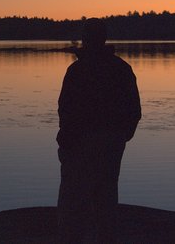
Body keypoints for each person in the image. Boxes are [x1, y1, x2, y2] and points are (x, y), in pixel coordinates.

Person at [56, 18, 141, 243]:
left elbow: (65, 110)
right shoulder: (121, 69)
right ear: (103, 39)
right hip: (111, 143)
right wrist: (122, 136)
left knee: (73, 208)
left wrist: (65, 143)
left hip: (82, 145)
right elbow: (134, 111)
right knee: (106, 200)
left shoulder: (77, 70)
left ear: (86, 40)